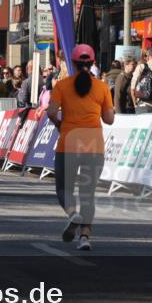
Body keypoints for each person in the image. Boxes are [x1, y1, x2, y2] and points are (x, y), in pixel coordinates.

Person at [46, 45, 115, 251]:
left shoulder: (62, 85)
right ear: (93, 63)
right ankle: (85, 237)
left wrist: (60, 125)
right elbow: (109, 119)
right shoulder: (102, 87)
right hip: (94, 145)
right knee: (88, 193)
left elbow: (50, 112)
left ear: (72, 64)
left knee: (62, 188)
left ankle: (71, 213)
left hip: (68, 143)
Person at [131, 47, 152, 113]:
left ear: (148, 56)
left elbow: (133, 89)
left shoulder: (141, 67)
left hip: (143, 105)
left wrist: (135, 105)